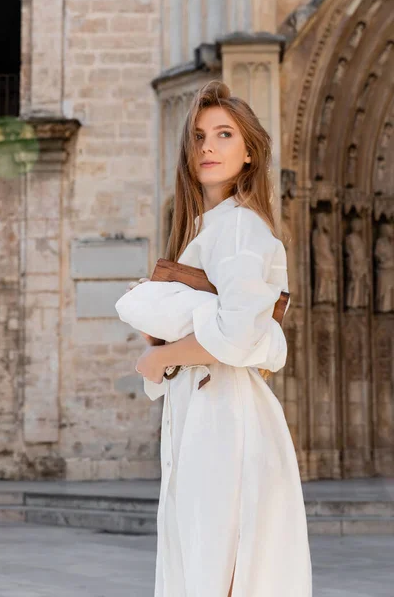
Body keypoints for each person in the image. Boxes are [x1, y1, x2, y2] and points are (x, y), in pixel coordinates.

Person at [120, 81, 312, 596]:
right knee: (204, 566)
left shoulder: (242, 228)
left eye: (224, 134)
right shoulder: (206, 229)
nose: (208, 146)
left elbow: (234, 332)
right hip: (204, 411)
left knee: (223, 571)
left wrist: (156, 361)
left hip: (227, 418)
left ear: (249, 152)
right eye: (199, 136)